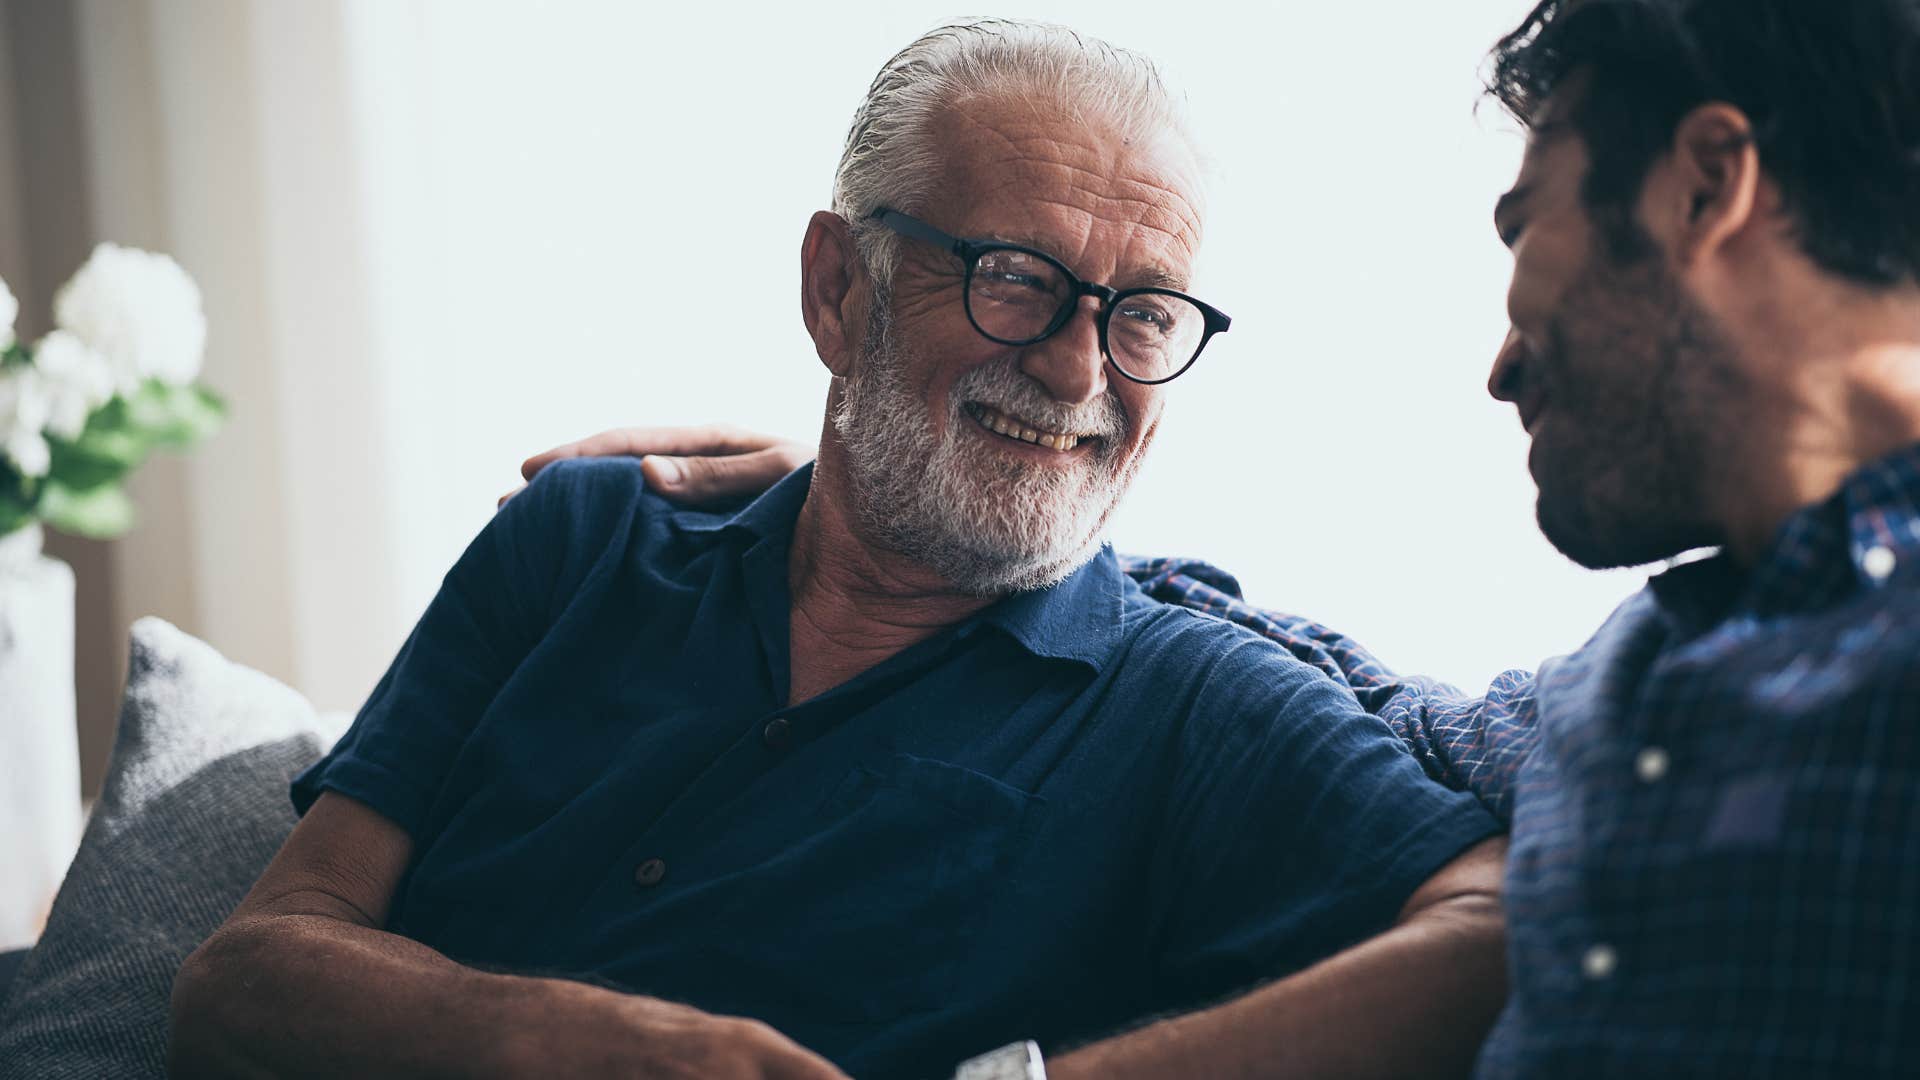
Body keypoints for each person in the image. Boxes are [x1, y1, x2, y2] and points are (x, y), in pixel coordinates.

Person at [560, 0, 1920, 1074]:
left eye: (1526, 228)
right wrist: (912, 472)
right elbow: (1368, 702)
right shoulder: (1622, 697)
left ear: (1703, 190)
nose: (1500, 365)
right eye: (1019, 287)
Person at [169, 21, 1507, 1080]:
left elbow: (1504, 933)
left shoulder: (1193, 704)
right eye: (1015, 279)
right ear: (836, 286)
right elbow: (243, 979)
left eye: (1142, 314)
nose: (1073, 366)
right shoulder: (579, 538)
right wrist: (589, 1048)